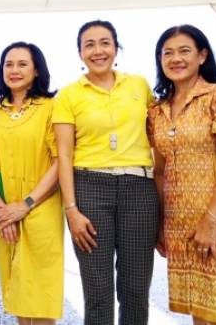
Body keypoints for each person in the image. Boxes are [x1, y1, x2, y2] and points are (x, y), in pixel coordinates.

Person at [52, 20, 158, 325]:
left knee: (136, 289)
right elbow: (64, 155)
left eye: (104, 43)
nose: (98, 51)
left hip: (139, 189)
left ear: (115, 47)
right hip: (89, 187)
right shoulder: (68, 95)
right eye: (89, 45)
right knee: (98, 291)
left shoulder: (139, 85)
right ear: (80, 53)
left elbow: (157, 137)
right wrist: (71, 210)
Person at [148, 25, 216, 325]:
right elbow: (159, 171)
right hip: (179, 225)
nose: (175, 59)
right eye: (168, 53)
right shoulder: (157, 110)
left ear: (202, 56)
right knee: (201, 312)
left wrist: (211, 221)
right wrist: (160, 224)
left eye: (184, 51)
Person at [0, 42, 63, 324]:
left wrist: (26, 204)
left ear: (36, 70)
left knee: (40, 293)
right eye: (8, 64)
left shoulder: (52, 108)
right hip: (2, 209)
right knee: (16, 285)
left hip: (41, 206)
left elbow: (60, 161)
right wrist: (2, 210)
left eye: (22, 64)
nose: (14, 70)